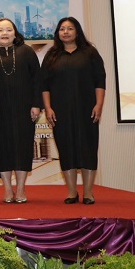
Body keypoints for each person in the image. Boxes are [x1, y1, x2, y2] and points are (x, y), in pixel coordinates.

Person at [41, 17, 106, 205]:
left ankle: (88, 193)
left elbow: (100, 80)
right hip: (60, 111)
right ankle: (71, 192)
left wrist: (99, 105)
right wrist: (48, 107)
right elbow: (44, 85)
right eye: (62, 29)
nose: (66, 32)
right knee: (66, 149)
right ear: (58, 33)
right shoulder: (52, 55)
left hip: (87, 109)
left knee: (88, 148)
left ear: (77, 31)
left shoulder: (90, 53)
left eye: (70, 28)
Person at [0, 18, 41, 203]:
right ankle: (7, 189)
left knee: (22, 147)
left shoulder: (26, 51)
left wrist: (36, 104)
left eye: (9, 30)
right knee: (1, 148)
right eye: (0, 30)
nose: (5, 33)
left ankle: (20, 189)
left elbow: (37, 79)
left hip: (24, 107)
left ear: (15, 33)